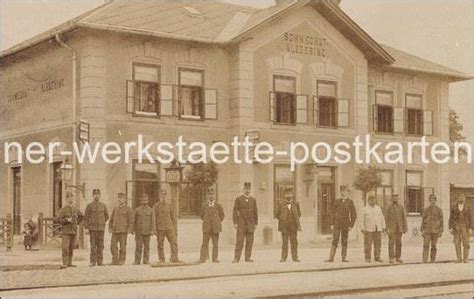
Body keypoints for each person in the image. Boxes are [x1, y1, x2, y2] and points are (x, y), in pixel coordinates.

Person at [325, 185, 356, 263]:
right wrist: (332, 223)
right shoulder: (336, 201)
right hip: (337, 224)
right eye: (341, 192)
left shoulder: (350, 202)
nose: (343, 193)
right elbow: (332, 213)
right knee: (335, 239)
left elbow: (354, 214)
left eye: (344, 191)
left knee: (344, 240)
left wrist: (351, 225)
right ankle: (331, 257)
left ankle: (344, 257)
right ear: (340, 192)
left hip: (346, 224)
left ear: (347, 192)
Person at [232, 182, 258, 263]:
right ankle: (236, 258)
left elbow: (255, 212)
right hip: (241, 224)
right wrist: (235, 223)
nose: (247, 191)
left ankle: (247, 257)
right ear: (243, 189)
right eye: (246, 189)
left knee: (249, 242)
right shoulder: (239, 199)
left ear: (250, 190)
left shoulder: (253, 200)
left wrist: (255, 223)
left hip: (250, 224)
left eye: (249, 189)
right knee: (239, 241)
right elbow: (235, 211)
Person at [84, 189, 109, 267]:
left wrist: (101, 222)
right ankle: (92, 261)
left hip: (101, 229)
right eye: (95, 194)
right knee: (93, 246)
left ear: (100, 195)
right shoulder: (89, 205)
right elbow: (86, 217)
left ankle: (100, 262)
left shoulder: (103, 205)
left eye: (98, 194)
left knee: (100, 245)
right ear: (92, 195)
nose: (96, 195)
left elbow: (107, 216)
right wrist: (87, 227)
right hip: (93, 229)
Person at [275, 188, 301, 262]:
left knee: (294, 242)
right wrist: (283, 219)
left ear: (292, 195)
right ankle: (283, 257)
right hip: (284, 227)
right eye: (287, 194)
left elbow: (299, 214)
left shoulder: (296, 204)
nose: (288, 196)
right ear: (284, 195)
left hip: (293, 227)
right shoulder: (280, 204)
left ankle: (295, 257)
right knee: (285, 242)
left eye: (290, 194)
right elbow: (276, 214)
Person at [57, 192, 83, 269]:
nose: (70, 200)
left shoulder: (76, 209)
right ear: (66, 199)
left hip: (73, 231)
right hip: (65, 231)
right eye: (69, 198)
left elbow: (81, 216)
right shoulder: (63, 210)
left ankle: (70, 262)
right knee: (65, 247)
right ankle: (64, 263)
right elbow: (58, 220)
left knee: (71, 247)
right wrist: (66, 220)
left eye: (72, 198)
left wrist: (76, 223)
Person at [199, 187, 225, 263]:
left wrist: (216, 222)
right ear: (207, 196)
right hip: (207, 228)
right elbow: (201, 216)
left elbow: (222, 216)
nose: (211, 196)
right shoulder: (204, 206)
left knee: (215, 244)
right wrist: (207, 221)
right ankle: (202, 258)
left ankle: (215, 258)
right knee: (204, 244)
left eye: (212, 194)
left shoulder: (218, 206)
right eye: (209, 194)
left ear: (214, 195)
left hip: (215, 228)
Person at [153, 189, 179, 263]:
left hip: (169, 228)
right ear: (159, 196)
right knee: (160, 244)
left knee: (174, 242)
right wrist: (154, 229)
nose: (163, 196)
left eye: (164, 194)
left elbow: (173, 217)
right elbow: (154, 218)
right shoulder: (156, 206)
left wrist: (174, 228)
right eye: (162, 194)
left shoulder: (169, 205)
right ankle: (161, 259)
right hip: (160, 228)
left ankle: (174, 257)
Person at [108, 192, 133, 265]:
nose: (119, 199)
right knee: (113, 246)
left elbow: (131, 220)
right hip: (115, 231)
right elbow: (111, 219)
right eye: (118, 198)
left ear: (125, 200)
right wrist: (110, 227)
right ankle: (115, 260)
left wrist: (129, 229)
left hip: (123, 231)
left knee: (122, 246)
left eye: (121, 198)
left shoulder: (128, 209)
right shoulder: (115, 208)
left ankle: (122, 260)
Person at [360, 194, 386, 263]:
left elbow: (382, 218)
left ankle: (377, 257)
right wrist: (362, 228)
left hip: (378, 228)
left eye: (374, 200)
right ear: (368, 201)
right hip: (368, 229)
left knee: (378, 244)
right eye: (371, 200)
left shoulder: (378, 208)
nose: (373, 201)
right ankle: (367, 257)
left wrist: (383, 227)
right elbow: (361, 220)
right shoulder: (365, 209)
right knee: (368, 244)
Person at [133, 195, 156, 265]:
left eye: (146, 200)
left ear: (148, 201)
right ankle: (137, 261)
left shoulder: (150, 210)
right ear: (141, 201)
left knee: (147, 247)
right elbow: (133, 220)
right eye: (143, 200)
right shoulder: (137, 210)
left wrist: (152, 230)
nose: (144, 201)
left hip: (147, 231)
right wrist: (133, 229)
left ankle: (146, 260)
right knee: (138, 246)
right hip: (139, 232)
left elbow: (153, 221)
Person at [420, 194, 443, 263]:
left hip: (435, 231)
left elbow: (441, 221)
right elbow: (423, 220)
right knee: (426, 245)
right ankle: (425, 260)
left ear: (435, 201)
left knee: (434, 246)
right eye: (431, 200)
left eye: (433, 200)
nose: (432, 201)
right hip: (427, 230)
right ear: (429, 201)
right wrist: (422, 230)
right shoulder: (426, 210)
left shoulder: (439, 210)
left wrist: (441, 231)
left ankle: (432, 259)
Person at [448, 194, 471, 263]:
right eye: (459, 197)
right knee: (457, 243)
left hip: (465, 227)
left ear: (464, 199)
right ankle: (459, 258)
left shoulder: (468, 207)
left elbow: (471, 218)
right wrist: (451, 227)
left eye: (462, 197)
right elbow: (451, 218)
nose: (461, 199)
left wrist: (470, 228)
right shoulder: (454, 207)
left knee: (466, 243)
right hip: (456, 227)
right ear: (457, 199)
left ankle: (466, 258)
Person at [385, 194, 408, 263]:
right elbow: (386, 218)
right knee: (391, 243)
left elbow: (404, 217)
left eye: (396, 198)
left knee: (399, 243)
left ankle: (398, 257)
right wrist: (387, 228)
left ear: (398, 199)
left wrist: (405, 227)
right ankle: (391, 258)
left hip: (399, 228)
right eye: (393, 198)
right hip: (391, 228)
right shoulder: (389, 207)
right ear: (392, 199)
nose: (395, 199)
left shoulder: (401, 207)